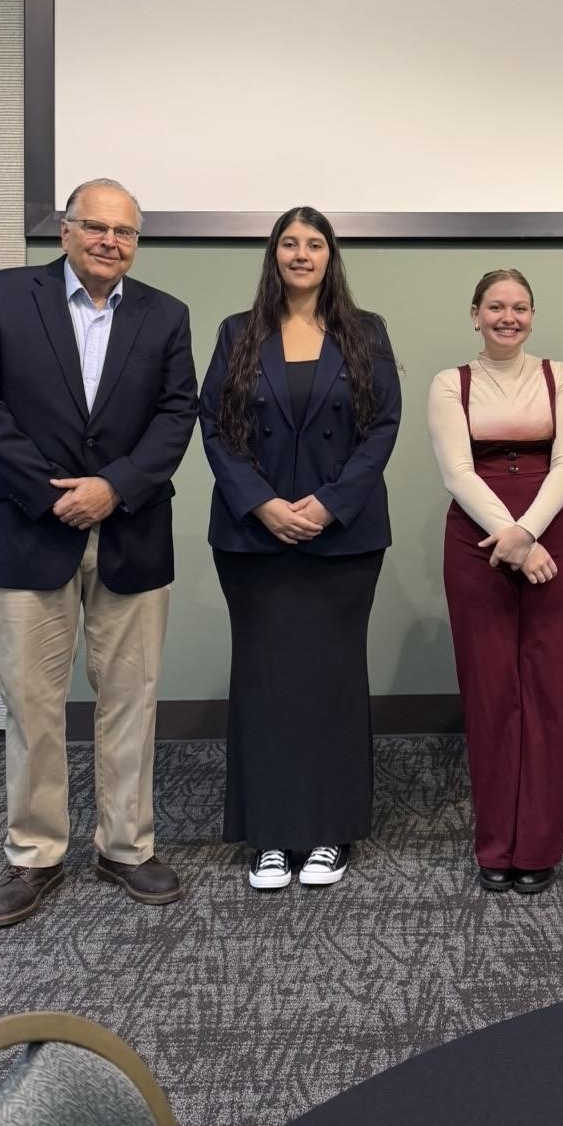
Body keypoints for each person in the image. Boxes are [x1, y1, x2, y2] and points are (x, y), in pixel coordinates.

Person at [0, 178, 198, 928]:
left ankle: (126, 846)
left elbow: (175, 413)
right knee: (32, 703)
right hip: (26, 528)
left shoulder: (165, 315)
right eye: (95, 227)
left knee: (131, 698)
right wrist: (55, 492)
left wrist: (113, 488)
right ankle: (35, 854)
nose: (110, 242)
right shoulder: (1, 296)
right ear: (64, 232)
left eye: (124, 232)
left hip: (130, 529)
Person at [200, 207, 401, 892]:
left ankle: (328, 832)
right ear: (274, 255)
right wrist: (260, 503)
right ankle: (269, 838)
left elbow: (382, 427)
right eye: (289, 242)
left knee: (331, 684)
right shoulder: (237, 332)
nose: (301, 253)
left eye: (314, 243)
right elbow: (215, 429)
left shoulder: (364, 332)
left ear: (330, 256)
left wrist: (328, 503)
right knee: (264, 685)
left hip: (341, 540)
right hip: (254, 539)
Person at [428, 269, 563, 894]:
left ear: (532, 315)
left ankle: (539, 846)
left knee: (551, 693)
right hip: (479, 538)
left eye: (520, 307)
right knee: (492, 694)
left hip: (559, 533)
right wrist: (515, 541)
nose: (508, 317)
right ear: (474, 314)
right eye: (495, 306)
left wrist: (529, 532)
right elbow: (457, 473)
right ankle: (496, 844)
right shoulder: (452, 383)